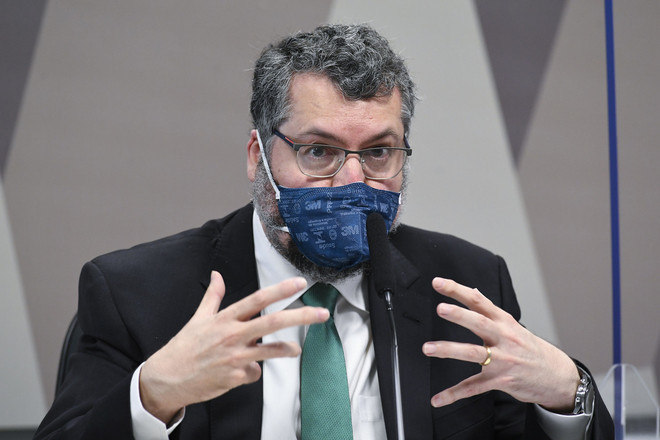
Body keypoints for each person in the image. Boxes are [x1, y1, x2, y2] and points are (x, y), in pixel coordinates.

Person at [35, 24, 613, 439]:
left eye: (379, 152)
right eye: (319, 151)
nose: (353, 181)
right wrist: (153, 396)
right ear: (258, 156)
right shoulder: (138, 292)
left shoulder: (465, 285)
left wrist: (569, 393)